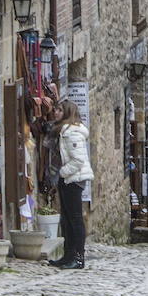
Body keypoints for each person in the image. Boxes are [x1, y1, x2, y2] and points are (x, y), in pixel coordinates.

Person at [54, 99, 93, 269]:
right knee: (67, 219)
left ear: (68, 113)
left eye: (59, 110)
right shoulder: (64, 131)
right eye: (56, 109)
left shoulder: (72, 133)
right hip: (68, 178)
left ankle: (78, 258)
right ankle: (68, 255)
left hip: (73, 179)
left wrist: (62, 173)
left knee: (75, 219)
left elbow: (78, 159)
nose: (56, 112)